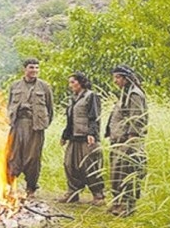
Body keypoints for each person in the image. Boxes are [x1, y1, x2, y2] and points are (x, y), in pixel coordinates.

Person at [6, 58, 53, 198]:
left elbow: (50, 109)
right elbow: (9, 105)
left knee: (33, 158)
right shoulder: (15, 86)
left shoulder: (44, 87)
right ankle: (10, 186)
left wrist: (42, 123)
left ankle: (31, 188)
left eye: (37, 68)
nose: (34, 70)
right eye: (31, 67)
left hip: (35, 127)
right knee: (13, 156)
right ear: (25, 69)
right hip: (18, 124)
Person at [105, 65, 148, 217]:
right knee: (116, 173)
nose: (115, 81)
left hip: (128, 141)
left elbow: (137, 118)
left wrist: (131, 140)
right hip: (118, 140)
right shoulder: (125, 92)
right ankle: (117, 202)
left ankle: (127, 206)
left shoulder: (135, 94)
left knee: (127, 173)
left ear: (125, 78)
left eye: (117, 77)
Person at [59, 72, 105, 205]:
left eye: (73, 82)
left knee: (90, 166)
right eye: (70, 82)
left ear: (81, 82)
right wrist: (64, 136)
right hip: (74, 137)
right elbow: (70, 120)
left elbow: (94, 117)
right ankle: (72, 193)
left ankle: (98, 195)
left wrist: (92, 133)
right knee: (70, 165)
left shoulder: (91, 96)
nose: (70, 85)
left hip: (87, 138)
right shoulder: (73, 98)